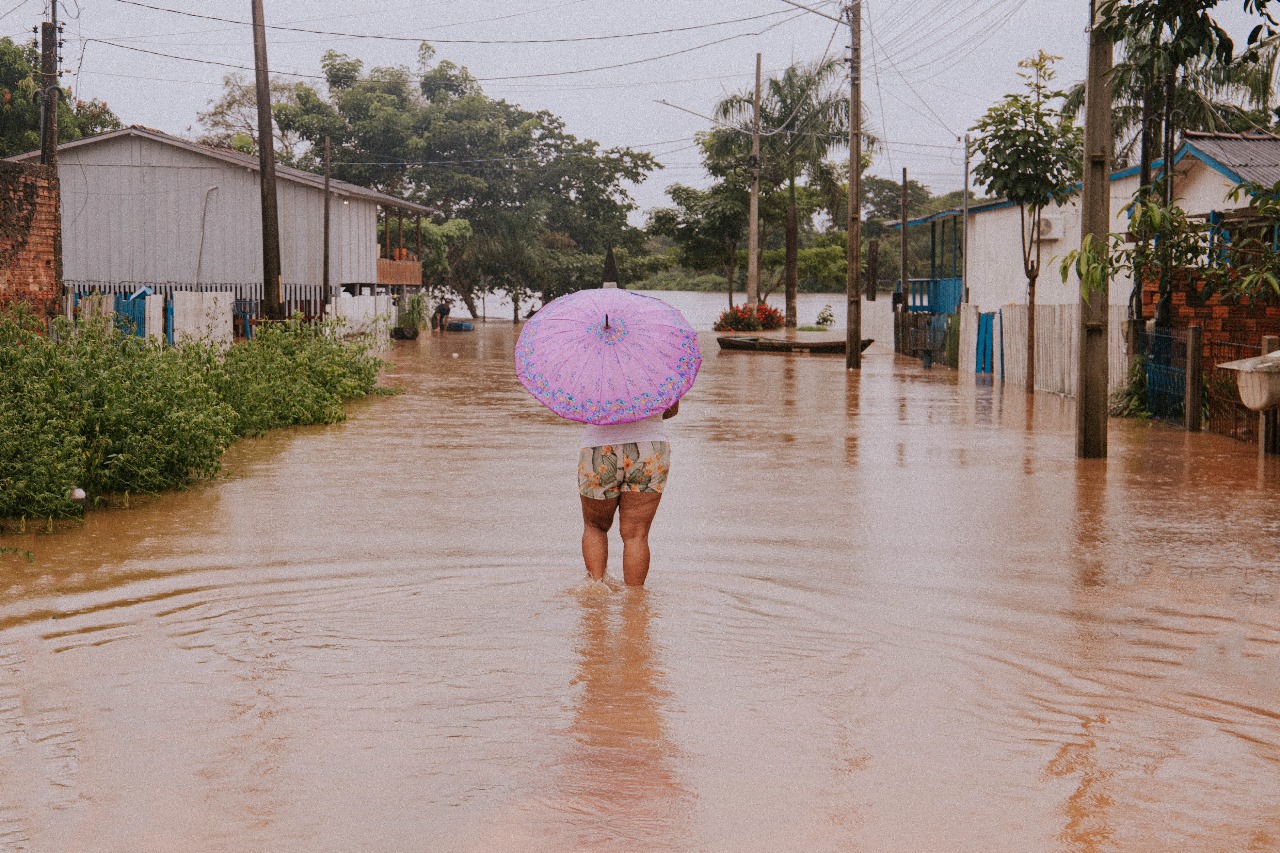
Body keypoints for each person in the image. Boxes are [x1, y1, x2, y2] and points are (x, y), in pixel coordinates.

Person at [577, 401, 679, 586]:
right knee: (636, 534)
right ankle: (635, 603)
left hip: (599, 444)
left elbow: (578, 410)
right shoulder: (661, 371)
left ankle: (595, 593)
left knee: (595, 527)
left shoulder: (592, 371)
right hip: (651, 446)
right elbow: (671, 410)